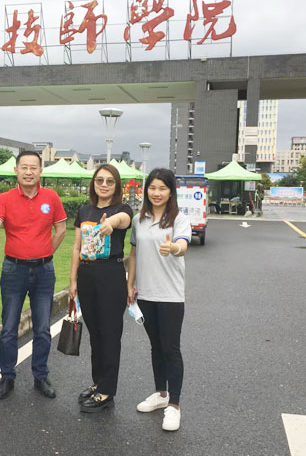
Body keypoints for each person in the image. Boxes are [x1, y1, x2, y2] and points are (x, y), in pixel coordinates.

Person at [0, 151, 67, 400]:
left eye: (33, 167)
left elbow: (61, 229)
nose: (28, 172)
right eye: (24, 167)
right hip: (13, 270)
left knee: (43, 328)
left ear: (40, 171)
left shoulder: (51, 197)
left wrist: (45, 251)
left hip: (44, 271)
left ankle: (41, 375)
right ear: (16, 170)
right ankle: (7, 376)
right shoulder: (5, 199)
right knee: (9, 327)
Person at [126, 168, 191, 431]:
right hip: (146, 293)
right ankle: (160, 394)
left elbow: (182, 246)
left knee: (170, 348)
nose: (156, 193)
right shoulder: (138, 220)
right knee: (156, 346)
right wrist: (130, 284)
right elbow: (133, 253)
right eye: (152, 187)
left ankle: (174, 405)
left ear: (171, 192)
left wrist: (173, 247)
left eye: (162, 188)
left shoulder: (179, 220)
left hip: (170, 294)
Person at [69, 164, 133, 413]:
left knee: (109, 334)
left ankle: (107, 391)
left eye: (109, 181)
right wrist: (73, 280)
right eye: (99, 180)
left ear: (116, 186)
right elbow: (77, 247)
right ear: (93, 183)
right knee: (95, 334)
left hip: (110, 276)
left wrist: (111, 223)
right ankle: (98, 383)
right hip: (87, 275)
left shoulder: (122, 209)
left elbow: (124, 220)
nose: (104, 185)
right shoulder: (85, 210)